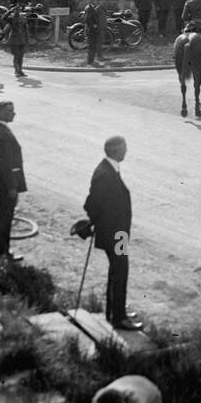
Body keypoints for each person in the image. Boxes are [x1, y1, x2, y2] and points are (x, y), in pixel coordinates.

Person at [82, 135, 142, 330]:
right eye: (124, 148)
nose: (126, 151)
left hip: (119, 234)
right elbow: (91, 204)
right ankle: (118, 317)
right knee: (120, 271)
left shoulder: (110, 169)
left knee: (117, 271)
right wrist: (102, 224)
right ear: (115, 150)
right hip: (115, 234)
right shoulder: (105, 174)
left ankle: (115, 311)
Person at [0, 100, 26, 261]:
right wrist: (12, 186)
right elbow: (5, 164)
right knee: (4, 219)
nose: (13, 113)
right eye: (10, 111)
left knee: (1, 217)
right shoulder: (2, 134)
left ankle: (0, 251)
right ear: (2, 113)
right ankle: (3, 253)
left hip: (0, 182)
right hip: (6, 185)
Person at [5, 2, 30, 77]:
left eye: (18, 10)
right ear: (13, 10)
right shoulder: (11, 18)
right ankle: (16, 71)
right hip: (14, 39)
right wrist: (9, 11)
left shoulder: (23, 18)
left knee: (21, 56)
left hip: (22, 39)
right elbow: (3, 18)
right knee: (16, 56)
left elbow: (26, 29)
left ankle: (20, 70)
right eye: (15, 10)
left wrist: (27, 40)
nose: (17, 11)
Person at [83, 0, 106, 65]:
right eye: (95, 0)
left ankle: (91, 60)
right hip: (91, 30)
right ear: (92, 1)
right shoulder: (89, 8)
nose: (96, 2)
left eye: (96, 0)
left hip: (93, 30)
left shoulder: (92, 8)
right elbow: (87, 19)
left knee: (93, 45)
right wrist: (94, 25)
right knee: (91, 46)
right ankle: (90, 61)